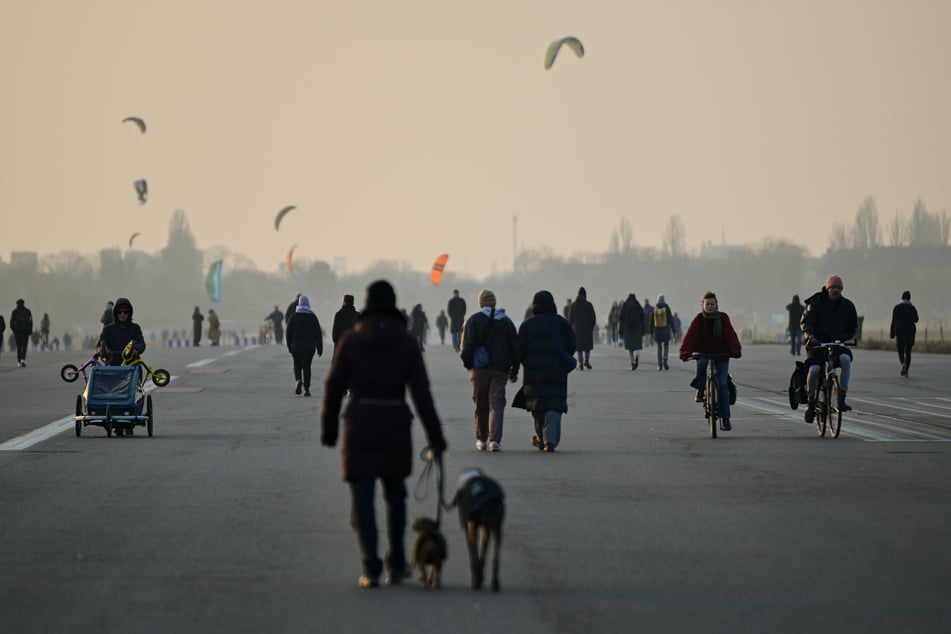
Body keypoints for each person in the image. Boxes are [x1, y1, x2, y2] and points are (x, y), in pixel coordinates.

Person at [321, 280, 447, 589]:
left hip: (360, 423)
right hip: (394, 423)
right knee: (395, 497)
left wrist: (329, 428)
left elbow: (334, 387)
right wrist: (435, 436)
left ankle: (371, 567)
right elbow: (422, 393)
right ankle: (398, 562)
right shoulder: (406, 343)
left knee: (362, 499)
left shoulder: (350, 341)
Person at [514, 290, 576, 452]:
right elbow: (571, 345)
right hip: (557, 373)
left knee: (537, 406)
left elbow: (519, 350)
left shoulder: (527, 325)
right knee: (554, 406)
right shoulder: (562, 323)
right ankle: (550, 440)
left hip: (534, 374)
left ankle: (542, 438)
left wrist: (527, 362)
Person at [460, 289, 519, 452]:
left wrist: (468, 364)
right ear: (494, 302)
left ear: (480, 303)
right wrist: (515, 368)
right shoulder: (506, 322)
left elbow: (467, 347)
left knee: (480, 404)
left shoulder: (474, 320)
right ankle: (495, 440)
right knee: (497, 403)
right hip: (500, 368)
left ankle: (482, 438)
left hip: (479, 369)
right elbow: (514, 347)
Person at [678, 291, 742, 432]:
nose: (710, 307)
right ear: (703, 305)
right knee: (701, 363)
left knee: (723, 385)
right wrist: (685, 352)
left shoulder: (723, 318)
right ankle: (701, 389)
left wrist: (735, 349)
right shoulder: (699, 319)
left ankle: (725, 419)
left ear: (717, 305)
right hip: (704, 353)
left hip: (722, 354)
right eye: (707, 304)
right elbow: (690, 336)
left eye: (713, 304)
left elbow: (731, 335)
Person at [801, 275, 858, 421]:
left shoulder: (847, 306)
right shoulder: (815, 303)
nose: (836, 290)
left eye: (839, 288)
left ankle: (841, 396)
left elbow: (853, 326)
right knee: (814, 370)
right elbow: (806, 323)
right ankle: (811, 401)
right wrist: (810, 337)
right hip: (817, 344)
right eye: (833, 287)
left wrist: (845, 337)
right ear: (827, 288)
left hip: (837, 343)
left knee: (845, 359)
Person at [286, 295, 323, 397]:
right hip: (309, 347)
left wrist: (289, 346)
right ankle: (306, 389)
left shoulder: (293, 317)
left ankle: (298, 380)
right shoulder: (312, 317)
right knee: (307, 367)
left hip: (296, 347)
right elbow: (318, 334)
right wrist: (320, 348)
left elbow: (288, 333)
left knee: (297, 365)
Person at [96, 297, 146, 370]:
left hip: (131, 364)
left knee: (136, 377)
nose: (122, 314)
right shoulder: (107, 329)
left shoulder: (135, 328)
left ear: (130, 313)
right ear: (115, 313)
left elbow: (141, 343)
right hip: (112, 365)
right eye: (119, 312)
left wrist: (135, 350)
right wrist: (101, 350)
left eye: (125, 312)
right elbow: (100, 344)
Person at [890, 290, 918, 377]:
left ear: (902, 298)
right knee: (908, 351)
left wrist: (892, 333)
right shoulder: (912, 308)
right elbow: (916, 319)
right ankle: (907, 371)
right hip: (910, 332)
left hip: (900, 332)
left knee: (900, 350)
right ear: (909, 298)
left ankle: (902, 364)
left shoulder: (897, 308)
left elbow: (893, 321)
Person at [568, 287, 596, 370]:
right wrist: (591, 327)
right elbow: (593, 317)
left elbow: (570, 318)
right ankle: (586, 360)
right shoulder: (589, 305)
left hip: (577, 329)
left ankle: (580, 363)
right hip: (587, 329)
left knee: (579, 347)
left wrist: (573, 327)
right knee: (587, 346)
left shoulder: (573, 305)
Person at [618, 293, 645, 370]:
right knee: (637, 346)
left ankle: (632, 363)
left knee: (630, 348)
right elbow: (642, 318)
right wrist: (643, 330)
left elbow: (621, 319)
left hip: (628, 329)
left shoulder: (625, 305)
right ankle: (637, 357)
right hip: (637, 328)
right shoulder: (637, 305)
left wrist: (620, 332)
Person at [650, 294, 675, 370]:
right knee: (666, 346)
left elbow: (651, 322)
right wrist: (674, 330)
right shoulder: (666, 307)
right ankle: (665, 360)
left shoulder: (654, 308)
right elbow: (671, 319)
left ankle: (660, 364)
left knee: (659, 347)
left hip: (657, 331)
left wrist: (651, 332)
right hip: (665, 330)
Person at [10, 299, 33, 367]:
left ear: (17, 304)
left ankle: (19, 361)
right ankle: (23, 359)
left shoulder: (15, 311)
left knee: (19, 346)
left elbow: (11, 322)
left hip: (18, 331)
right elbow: (31, 321)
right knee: (24, 346)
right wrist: (30, 331)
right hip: (25, 331)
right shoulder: (27, 311)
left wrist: (14, 330)